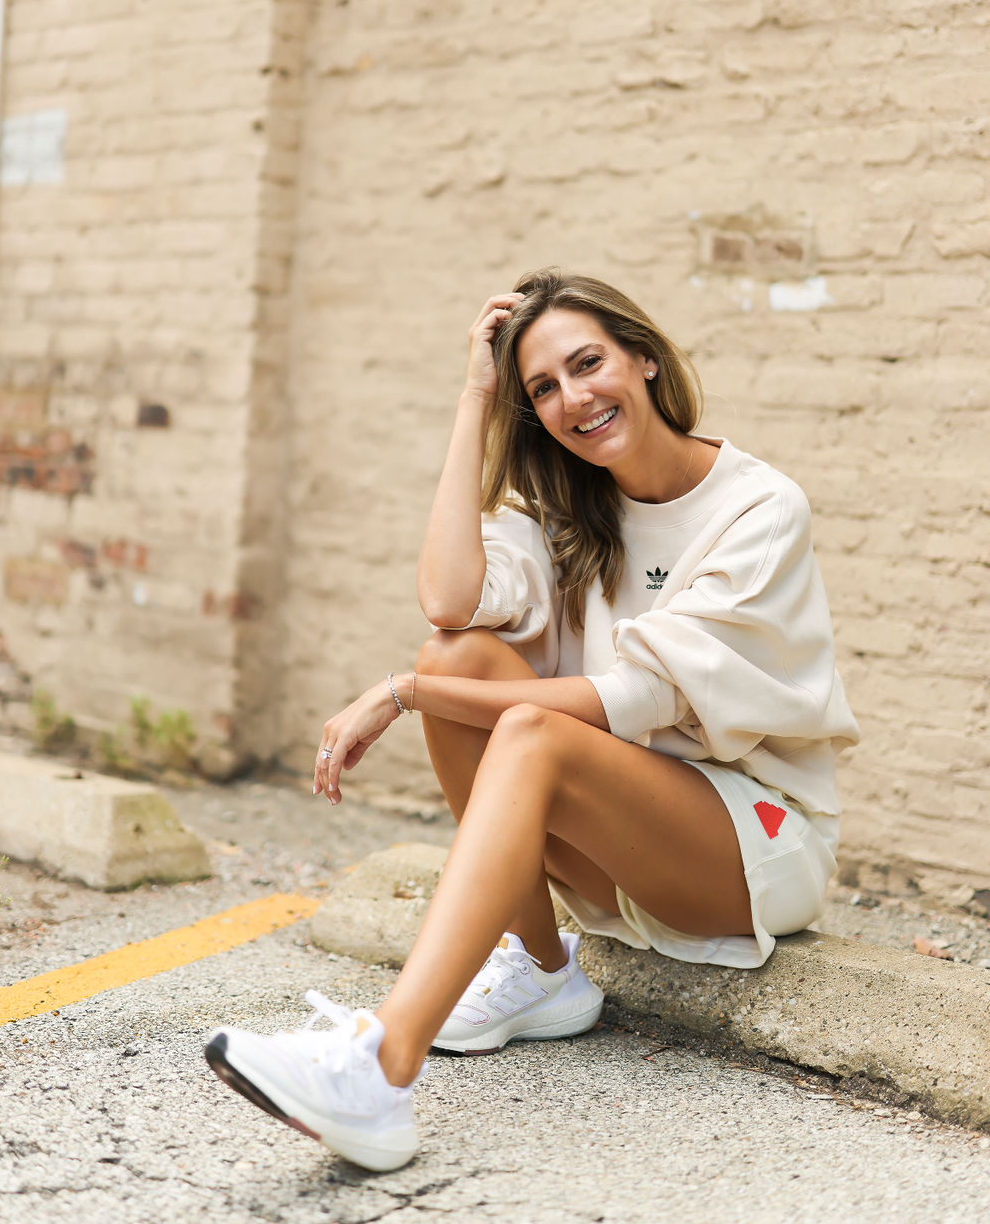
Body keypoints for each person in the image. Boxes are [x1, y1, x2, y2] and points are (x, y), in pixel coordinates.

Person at [205, 268, 859, 1173]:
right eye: (543, 389)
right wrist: (476, 396)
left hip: (758, 841)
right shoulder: (569, 509)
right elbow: (447, 597)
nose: (573, 399)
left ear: (644, 357)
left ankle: (380, 1068)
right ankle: (543, 973)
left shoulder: (756, 506)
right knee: (454, 654)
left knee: (510, 718)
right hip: (620, 815)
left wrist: (403, 694)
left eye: (588, 363)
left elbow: (630, 698)